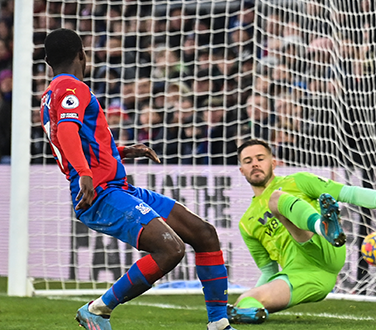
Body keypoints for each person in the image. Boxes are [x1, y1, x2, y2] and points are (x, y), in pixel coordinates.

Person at [40, 28, 235, 330]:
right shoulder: (71, 87)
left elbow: (79, 139)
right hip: (100, 193)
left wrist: (121, 151)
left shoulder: (52, 93)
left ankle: (219, 324)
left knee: (204, 234)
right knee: (170, 248)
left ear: (47, 60)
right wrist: (87, 174)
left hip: (119, 188)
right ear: (82, 54)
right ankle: (97, 309)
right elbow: (66, 133)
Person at [227, 139, 376, 324]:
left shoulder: (297, 181)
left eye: (260, 158)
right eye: (248, 161)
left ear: (273, 162)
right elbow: (268, 271)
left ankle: (322, 227)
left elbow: (347, 193)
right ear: (241, 170)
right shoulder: (246, 223)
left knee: (276, 199)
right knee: (246, 299)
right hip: (308, 276)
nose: (254, 164)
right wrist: (255, 297)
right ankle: (248, 315)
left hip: (328, 245)